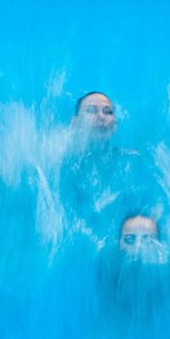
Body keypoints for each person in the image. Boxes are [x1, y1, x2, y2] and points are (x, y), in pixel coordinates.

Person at [60, 92, 146, 246]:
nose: (101, 116)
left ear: (115, 126)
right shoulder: (63, 167)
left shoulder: (132, 161)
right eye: (92, 110)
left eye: (108, 112)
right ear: (74, 124)